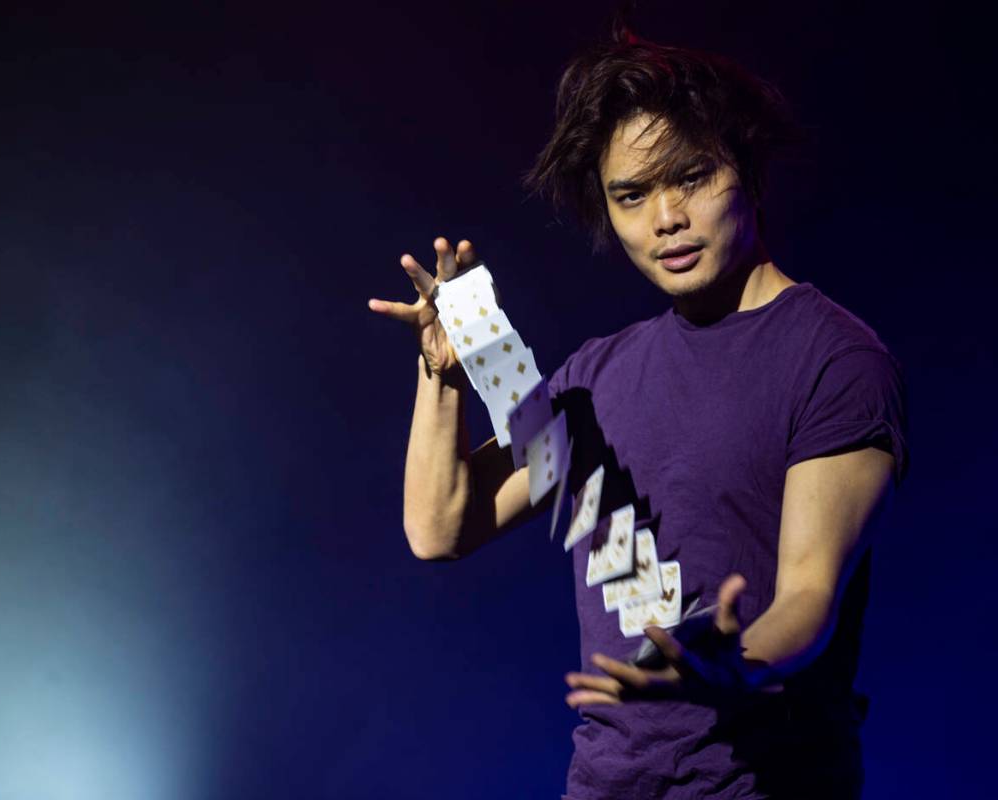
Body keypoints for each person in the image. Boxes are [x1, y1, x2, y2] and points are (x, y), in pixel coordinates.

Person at [368, 31, 908, 800]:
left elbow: (805, 600)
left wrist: (727, 663)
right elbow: (441, 528)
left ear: (745, 171)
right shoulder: (599, 377)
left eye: (690, 176)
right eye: (631, 194)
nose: (664, 217)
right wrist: (444, 372)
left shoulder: (833, 360)